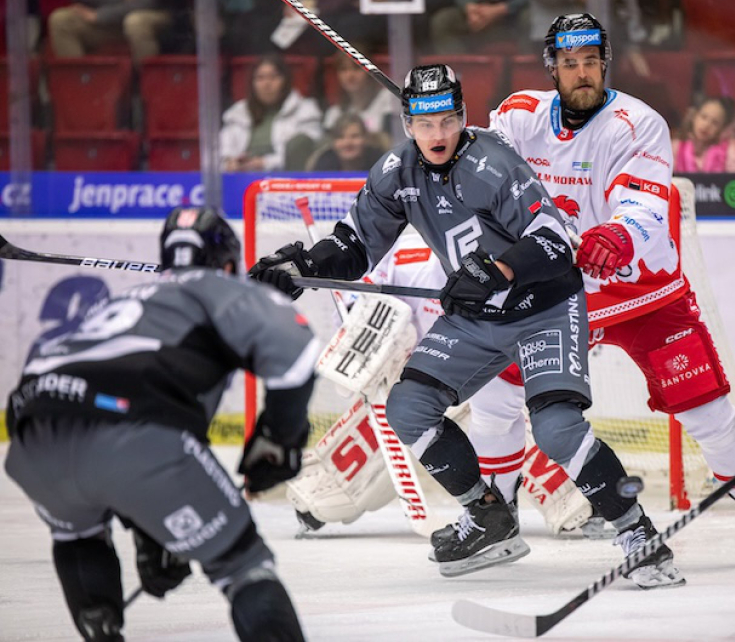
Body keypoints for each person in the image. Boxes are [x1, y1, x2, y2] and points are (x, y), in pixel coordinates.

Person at [249, 63, 674, 585]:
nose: (438, 134)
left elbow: (555, 241)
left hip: (543, 307)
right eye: (425, 124)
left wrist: (496, 268)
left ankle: (640, 536)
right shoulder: (394, 174)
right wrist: (304, 268)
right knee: (408, 406)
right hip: (478, 316)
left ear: (463, 117)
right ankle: (489, 514)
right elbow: (353, 245)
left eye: (448, 121)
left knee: (557, 428)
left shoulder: (494, 163)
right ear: (407, 124)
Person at [489, 13, 735, 572]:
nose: (583, 73)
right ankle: (495, 516)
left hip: (641, 291)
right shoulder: (519, 116)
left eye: (591, 62)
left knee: (709, 412)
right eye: (570, 64)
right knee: (498, 392)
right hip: (559, 293)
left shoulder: (637, 123)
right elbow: (483, 167)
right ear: (553, 69)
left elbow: (643, 204)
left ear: (604, 63)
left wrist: (615, 233)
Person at [4, 207, 319, 642]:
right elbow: (296, 350)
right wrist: (279, 440)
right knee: (243, 567)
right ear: (228, 262)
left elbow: (44, 384)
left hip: (34, 440)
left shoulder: (119, 303)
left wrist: (155, 534)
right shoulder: (225, 288)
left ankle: (102, 626)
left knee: (76, 535)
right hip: (137, 432)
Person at [286, 232, 597, 542]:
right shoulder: (404, 255)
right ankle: (321, 500)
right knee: (339, 478)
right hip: (415, 387)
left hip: (476, 380)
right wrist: (375, 337)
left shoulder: (510, 256)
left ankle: (577, 498)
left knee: (501, 421)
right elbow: (361, 307)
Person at [220, 55, 323, 173]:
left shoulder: (306, 110)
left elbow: (307, 153)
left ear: (285, 80)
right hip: (241, 178)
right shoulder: (237, 112)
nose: (266, 84)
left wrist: (264, 163)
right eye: (260, 78)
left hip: (286, 179)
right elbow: (221, 150)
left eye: (273, 77)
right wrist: (229, 162)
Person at [48, 0, 176, 64]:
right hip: (106, 17)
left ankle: (146, 95)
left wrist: (101, 15)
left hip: (153, 15)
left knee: (135, 22)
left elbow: (147, 2)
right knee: (61, 20)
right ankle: (81, 94)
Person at [322, 47, 398, 142]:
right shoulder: (334, 113)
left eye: (356, 68)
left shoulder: (388, 100)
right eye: (343, 69)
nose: (349, 75)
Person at [672, 95, 735, 172]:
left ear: (721, 129)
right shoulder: (676, 147)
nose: (706, 125)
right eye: (703, 117)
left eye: (715, 123)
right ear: (694, 116)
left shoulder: (730, 149)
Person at [308, 113, 387, 172]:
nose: (347, 143)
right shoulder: (323, 164)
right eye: (340, 137)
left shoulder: (381, 163)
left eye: (354, 136)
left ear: (365, 138)